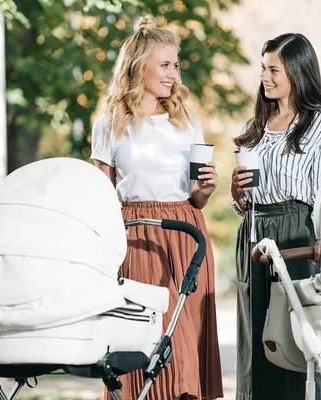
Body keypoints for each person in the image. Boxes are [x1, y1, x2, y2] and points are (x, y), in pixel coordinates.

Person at [91, 15, 224, 400]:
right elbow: (102, 195)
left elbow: (196, 194)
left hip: (186, 234)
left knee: (182, 349)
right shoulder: (110, 124)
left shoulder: (185, 121)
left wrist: (206, 190)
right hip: (135, 237)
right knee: (143, 344)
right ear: (139, 67)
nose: (172, 74)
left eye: (175, 65)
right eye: (165, 65)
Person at [230, 33, 321, 400]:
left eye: (273, 69)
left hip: (298, 234)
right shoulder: (258, 124)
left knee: (299, 336)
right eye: (263, 69)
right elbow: (247, 199)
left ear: (297, 71)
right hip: (253, 235)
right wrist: (237, 195)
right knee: (258, 341)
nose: (265, 77)